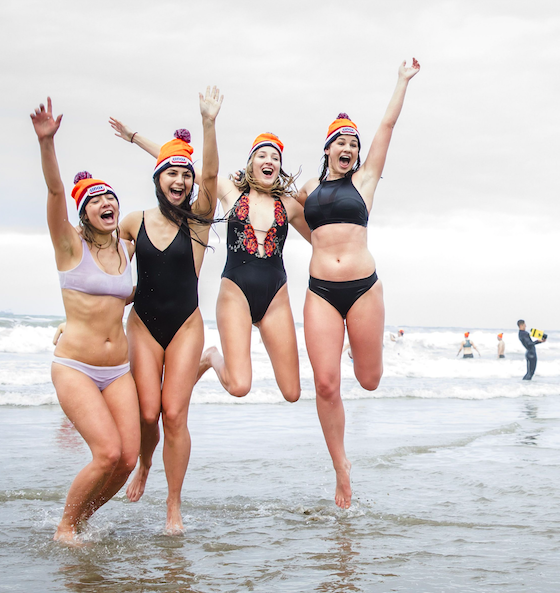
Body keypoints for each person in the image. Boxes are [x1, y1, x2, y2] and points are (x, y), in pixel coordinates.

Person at [109, 118, 310, 403]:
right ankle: (210, 358)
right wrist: (135, 137)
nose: (269, 161)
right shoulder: (231, 192)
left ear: (279, 166)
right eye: (262, 155)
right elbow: (178, 163)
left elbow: (322, 240)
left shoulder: (289, 205)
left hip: (276, 296)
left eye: (275, 157)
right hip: (236, 294)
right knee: (240, 386)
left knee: (292, 393)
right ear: (251, 163)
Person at [296, 58, 420, 509]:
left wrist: (401, 81)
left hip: (364, 289)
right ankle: (341, 469)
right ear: (327, 149)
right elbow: (273, 207)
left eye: (353, 143)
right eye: (340, 143)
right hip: (320, 293)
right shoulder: (307, 189)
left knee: (368, 381)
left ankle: (358, 344)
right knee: (326, 384)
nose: (348, 148)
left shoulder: (365, 181)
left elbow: (387, 125)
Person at [31, 97, 139, 545]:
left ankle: (81, 519)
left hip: (118, 370)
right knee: (106, 453)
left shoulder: (125, 247)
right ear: (84, 212)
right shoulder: (70, 248)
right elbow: (57, 193)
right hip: (75, 365)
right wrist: (47, 144)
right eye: (96, 199)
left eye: (110, 196)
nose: (106, 202)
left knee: (128, 457)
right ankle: (64, 528)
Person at [116, 87, 222, 534]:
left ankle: (173, 505)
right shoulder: (131, 222)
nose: (179, 180)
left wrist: (209, 123)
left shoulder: (197, 221)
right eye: (171, 173)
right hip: (142, 324)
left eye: (186, 174)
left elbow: (212, 176)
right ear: (158, 177)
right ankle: (144, 464)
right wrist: (73, 320)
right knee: (146, 413)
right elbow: (108, 281)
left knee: (173, 413)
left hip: (185, 324)